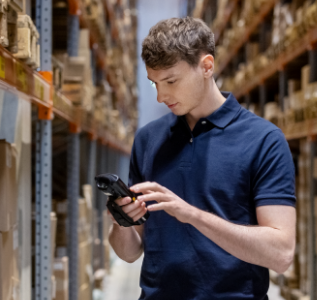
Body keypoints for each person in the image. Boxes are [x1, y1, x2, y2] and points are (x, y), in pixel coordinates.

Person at [108, 17, 296, 300]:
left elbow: (281, 254)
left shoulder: (264, 140)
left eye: (171, 81)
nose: (161, 96)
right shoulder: (148, 140)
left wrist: (191, 215)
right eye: (154, 83)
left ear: (207, 66)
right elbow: (130, 252)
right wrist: (121, 221)